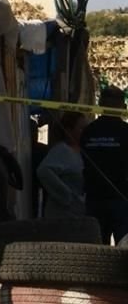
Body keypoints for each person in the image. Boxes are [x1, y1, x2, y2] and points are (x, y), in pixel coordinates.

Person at [80, 87, 128, 243]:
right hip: (121, 198)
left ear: (100, 105)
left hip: (94, 198)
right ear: (123, 108)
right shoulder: (125, 132)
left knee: (98, 249)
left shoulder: (88, 131)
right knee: (124, 247)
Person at [37, 111, 88, 219]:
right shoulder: (61, 150)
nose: (85, 132)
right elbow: (43, 171)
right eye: (81, 128)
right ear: (69, 131)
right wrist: (66, 195)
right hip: (62, 215)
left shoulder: (83, 151)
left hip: (79, 214)